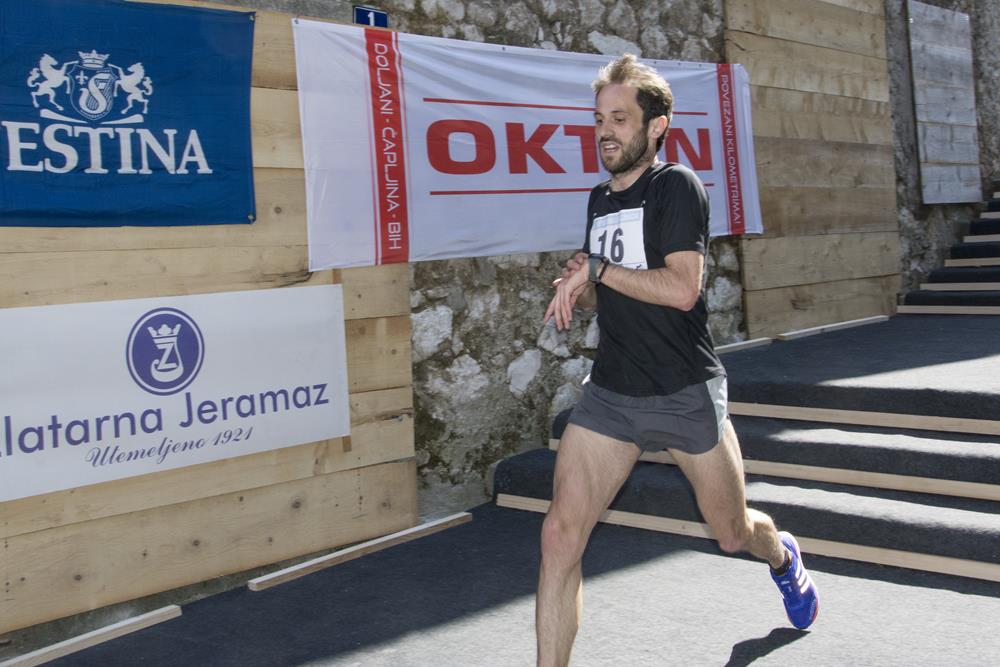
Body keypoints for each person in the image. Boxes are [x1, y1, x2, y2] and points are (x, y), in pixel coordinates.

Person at [536, 54, 818, 667]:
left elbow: (681, 289)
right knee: (559, 535)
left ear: (656, 126)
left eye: (620, 119)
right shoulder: (599, 199)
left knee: (732, 532)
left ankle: (782, 555)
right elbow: (612, 292)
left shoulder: (677, 187)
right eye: (599, 119)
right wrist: (582, 286)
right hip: (612, 393)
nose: (605, 132)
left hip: (683, 389)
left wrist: (600, 269)